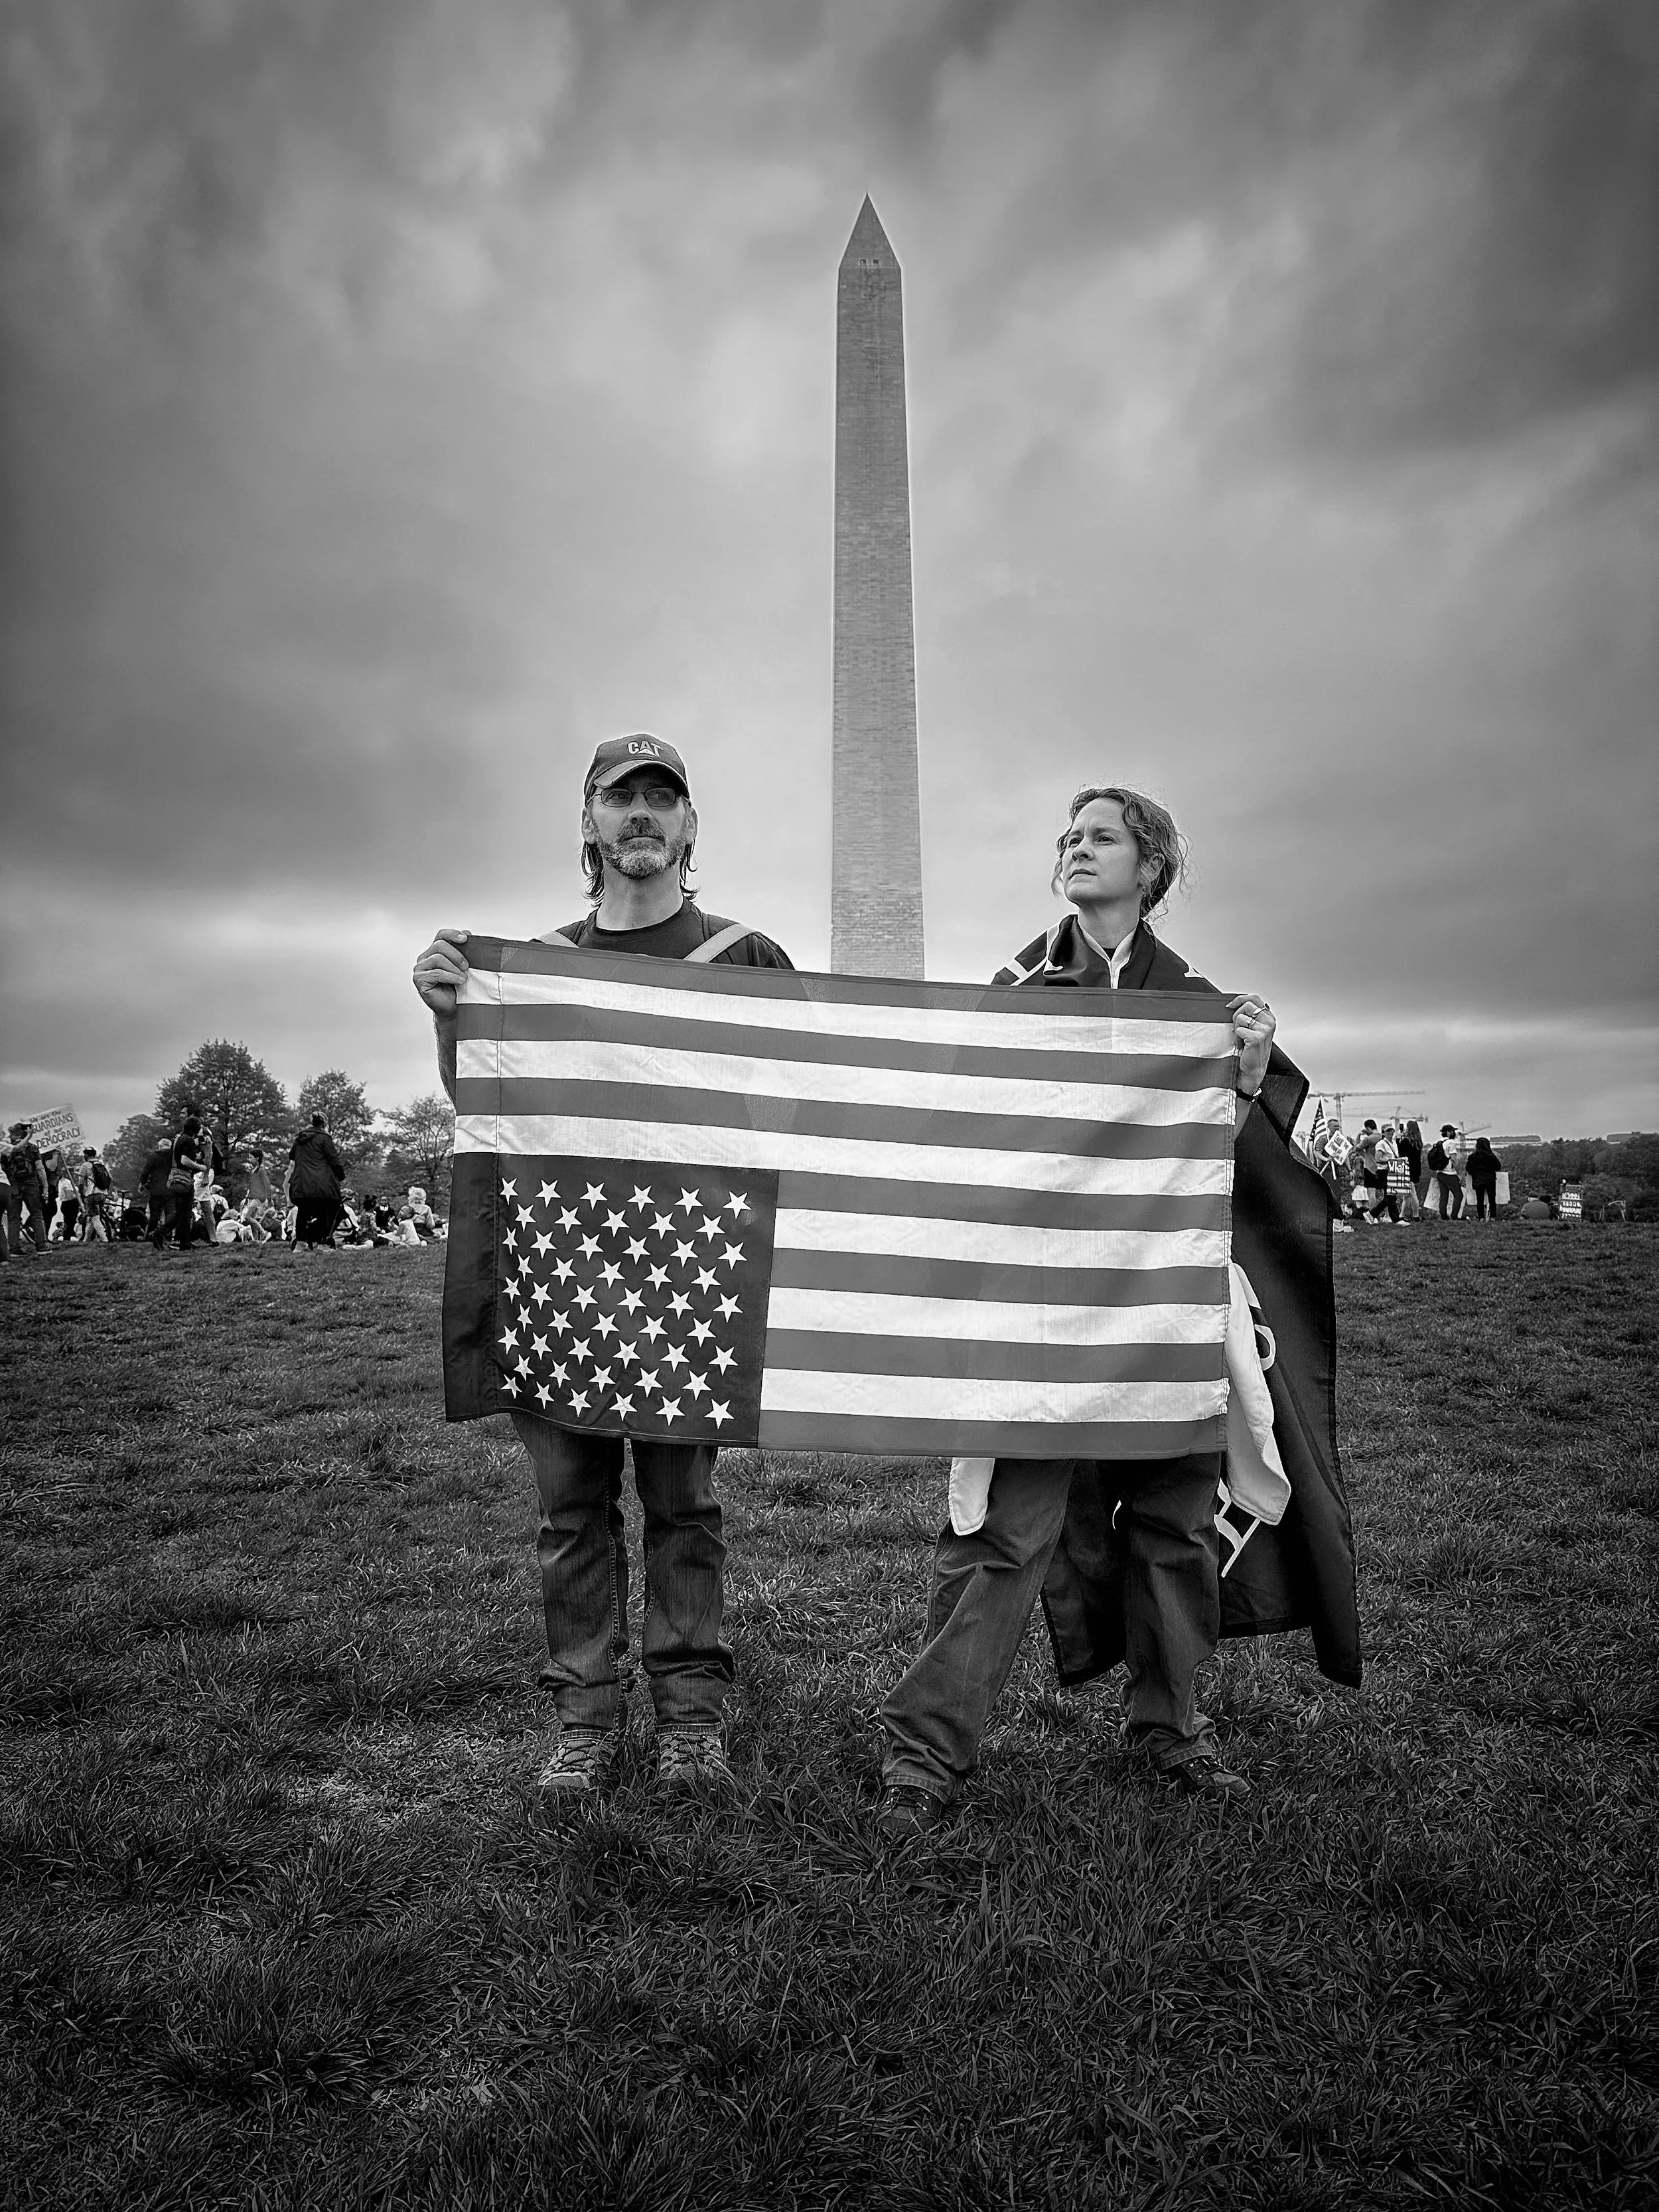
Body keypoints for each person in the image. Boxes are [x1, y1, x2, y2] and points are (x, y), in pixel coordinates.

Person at [876, 783, 1360, 1836]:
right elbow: (964, 1123)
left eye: (1100, 836)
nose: (1074, 848)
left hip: (1164, 1302)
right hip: (1045, 1308)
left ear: (1152, 868)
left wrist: (1244, 1077)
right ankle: (927, 1751)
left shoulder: (1200, 1003)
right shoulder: (1013, 990)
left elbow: (1231, 1155)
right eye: (1068, 836)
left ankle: (1169, 1728)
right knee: (1008, 1526)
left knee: (1176, 1522)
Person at [413, 733, 794, 1801]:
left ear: (689, 826)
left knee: (683, 1505)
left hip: (688, 1279)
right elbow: (486, 1107)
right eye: (620, 797)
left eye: (662, 797)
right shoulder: (530, 962)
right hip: (562, 1274)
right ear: (587, 820)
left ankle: (689, 1717)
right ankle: (583, 1718)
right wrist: (456, 1017)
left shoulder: (746, 955)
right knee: (570, 1509)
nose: (642, 814)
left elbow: (798, 1108)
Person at [287, 1113, 346, 1248]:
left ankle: (300, 1244)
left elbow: (292, 1155)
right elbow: (333, 1159)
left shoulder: (300, 1139)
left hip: (302, 1182)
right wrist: (340, 1176)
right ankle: (322, 1244)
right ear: (324, 1124)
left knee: (303, 1212)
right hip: (321, 1183)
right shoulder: (324, 1138)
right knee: (323, 1212)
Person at [155, 1116, 209, 1251]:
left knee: (183, 1213)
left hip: (177, 1178)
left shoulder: (181, 1138)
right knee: (183, 1213)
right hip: (184, 1180)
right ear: (195, 1128)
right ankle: (159, 1234)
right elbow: (185, 1161)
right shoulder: (188, 1141)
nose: (202, 1129)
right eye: (200, 1127)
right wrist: (201, 1167)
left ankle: (184, 1242)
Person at [4, 1122, 51, 1256]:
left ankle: (14, 1249)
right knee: (37, 1215)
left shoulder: (8, 1149)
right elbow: (40, 1168)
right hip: (31, 1184)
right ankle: (42, 1246)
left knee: (14, 1217)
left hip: (12, 1185)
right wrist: (45, 1187)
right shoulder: (32, 1148)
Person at [1426, 1124, 1464, 1219]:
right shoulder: (1451, 1143)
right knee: (1459, 1195)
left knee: (1444, 1195)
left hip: (1440, 1173)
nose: (1454, 1133)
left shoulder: (1440, 1143)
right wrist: (1459, 1173)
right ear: (1448, 1132)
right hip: (1450, 1173)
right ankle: (1454, 1216)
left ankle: (1444, 1216)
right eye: (1452, 1131)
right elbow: (1454, 1160)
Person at [1467, 1136, 1504, 1220]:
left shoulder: (1472, 1157)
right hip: (1490, 1180)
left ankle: (1481, 1218)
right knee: (1492, 1200)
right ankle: (1493, 1217)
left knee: (1480, 1201)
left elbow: (1469, 1169)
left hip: (1478, 1180)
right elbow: (1498, 1167)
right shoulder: (1491, 1156)